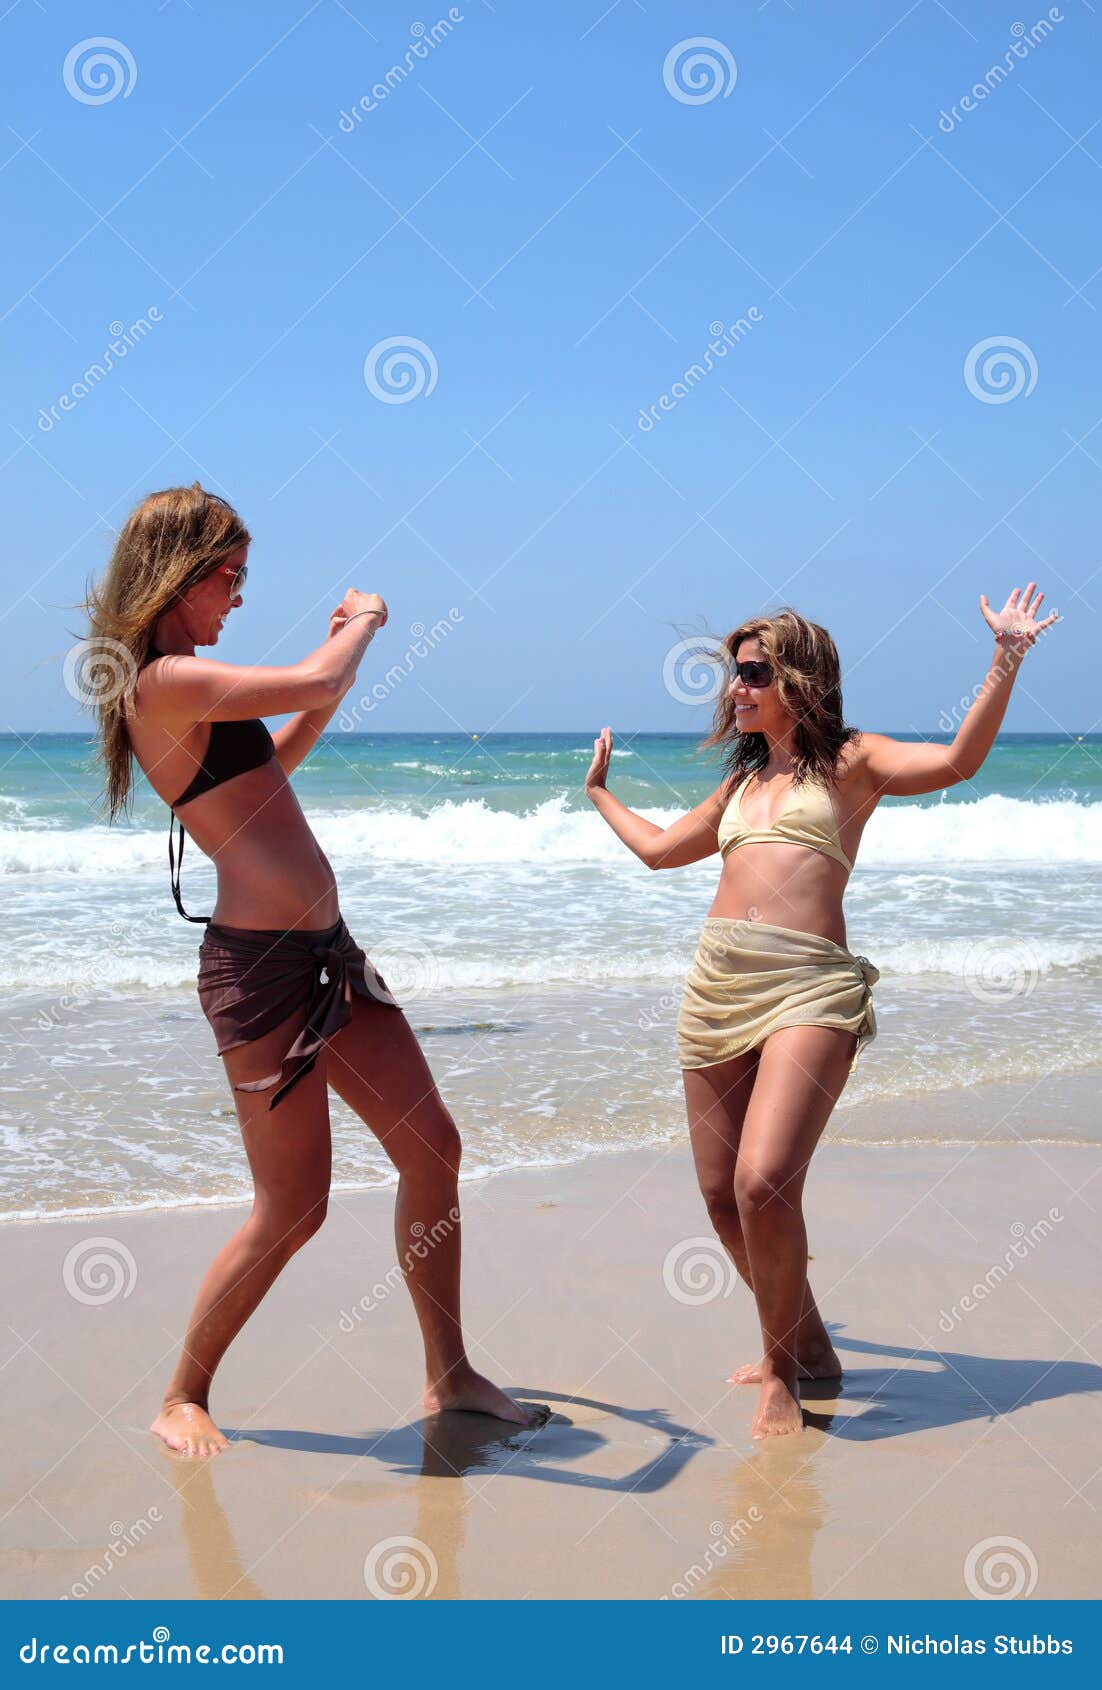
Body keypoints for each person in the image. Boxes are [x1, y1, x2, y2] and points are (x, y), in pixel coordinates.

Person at [83, 482, 540, 1457]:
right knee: (294, 1208)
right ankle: (182, 1393)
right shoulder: (160, 681)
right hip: (260, 975)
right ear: (179, 574)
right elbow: (320, 679)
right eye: (229, 579)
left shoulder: (194, 681)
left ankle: (449, 1373)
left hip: (329, 962)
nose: (238, 598)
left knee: (432, 1150)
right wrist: (366, 620)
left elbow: (277, 755)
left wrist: (328, 676)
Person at [585, 588, 1058, 1438]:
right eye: (736, 675)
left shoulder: (854, 763)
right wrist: (599, 794)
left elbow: (958, 761)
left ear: (799, 677)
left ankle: (781, 1366)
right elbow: (659, 853)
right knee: (721, 1200)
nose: (738, 688)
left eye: (755, 672)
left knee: (764, 1181)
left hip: (809, 989)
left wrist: (1006, 657)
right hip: (716, 993)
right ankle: (811, 1347)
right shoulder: (740, 782)